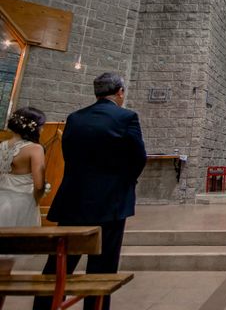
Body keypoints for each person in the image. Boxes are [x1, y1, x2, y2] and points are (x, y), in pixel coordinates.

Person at [33, 72, 147, 310]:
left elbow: (69, 154)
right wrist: (124, 181)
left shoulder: (75, 118)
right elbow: (138, 157)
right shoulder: (126, 117)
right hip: (111, 201)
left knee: (60, 261)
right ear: (120, 92)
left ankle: (44, 306)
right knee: (103, 265)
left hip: (74, 199)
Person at [0, 107, 46, 227]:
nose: (43, 129)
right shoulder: (35, 149)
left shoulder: (2, 146)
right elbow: (39, 185)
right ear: (33, 127)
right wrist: (36, 201)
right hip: (23, 204)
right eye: (42, 126)